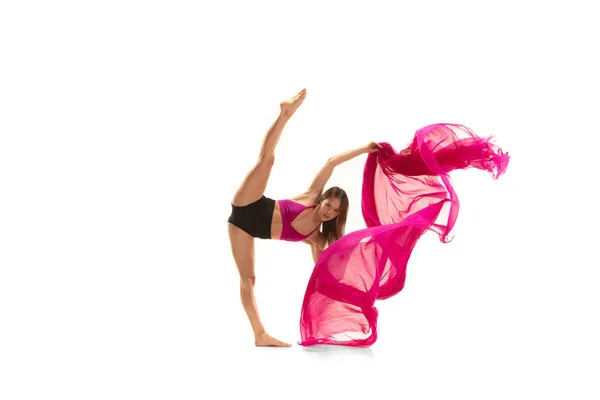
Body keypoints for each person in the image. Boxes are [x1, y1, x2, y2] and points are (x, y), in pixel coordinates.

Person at [227, 88, 381, 347]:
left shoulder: (315, 239)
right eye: (327, 204)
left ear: (336, 217)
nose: (327, 210)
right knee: (267, 160)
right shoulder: (311, 197)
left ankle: (260, 335)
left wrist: (345, 295)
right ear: (321, 200)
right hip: (250, 203)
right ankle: (285, 113)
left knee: (248, 279)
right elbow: (332, 162)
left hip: (243, 228)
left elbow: (319, 272)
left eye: (333, 211)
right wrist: (365, 149)